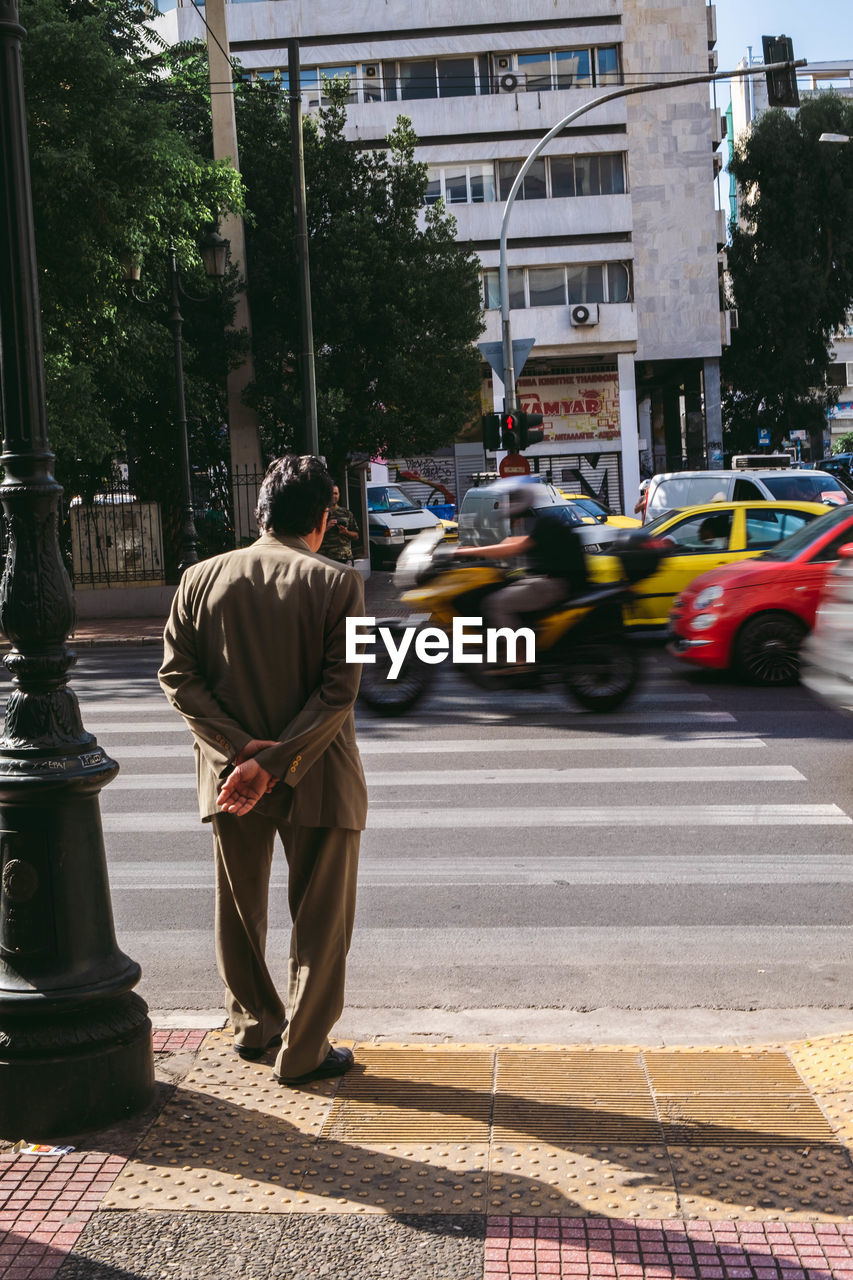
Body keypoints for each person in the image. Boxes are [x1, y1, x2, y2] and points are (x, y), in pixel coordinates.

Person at [158, 455, 367, 1086]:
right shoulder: (337, 584)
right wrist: (276, 762)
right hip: (320, 775)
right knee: (321, 918)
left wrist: (241, 753)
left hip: (229, 776)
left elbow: (177, 678)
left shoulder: (199, 578)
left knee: (239, 910)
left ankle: (255, 1026)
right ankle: (303, 1052)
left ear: (261, 513)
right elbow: (338, 694)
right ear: (323, 518)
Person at [453, 481, 589, 653]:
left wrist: (470, 552)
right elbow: (512, 542)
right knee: (503, 584)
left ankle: (519, 659)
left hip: (557, 583)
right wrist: (476, 551)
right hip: (551, 579)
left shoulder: (540, 523)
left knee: (495, 604)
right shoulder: (537, 520)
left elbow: (515, 547)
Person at [320, 483, 359, 563]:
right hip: (324, 558)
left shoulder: (347, 513)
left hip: (344, 557)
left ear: (339, 495)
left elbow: (356, 536)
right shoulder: (319, 513)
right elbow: (311, 535)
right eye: (331, 493)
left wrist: (346, 532)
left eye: (335, 493)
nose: (333, 496)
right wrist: (326, 528)